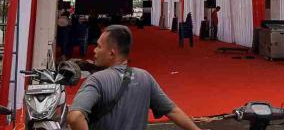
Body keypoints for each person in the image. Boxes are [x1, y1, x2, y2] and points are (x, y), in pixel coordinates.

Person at [67, 25, 203, 130]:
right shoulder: (145, 77)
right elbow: (173, 111)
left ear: (111, 53)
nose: (94, 50)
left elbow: (75, 117)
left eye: (98, 46)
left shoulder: (97, 80)